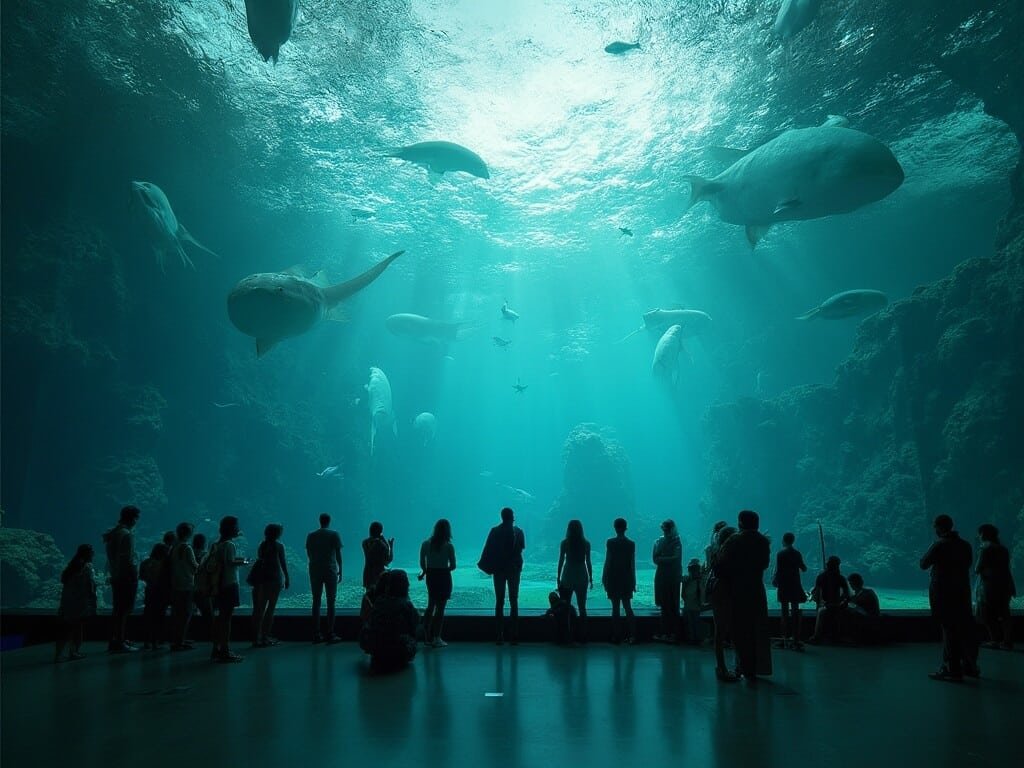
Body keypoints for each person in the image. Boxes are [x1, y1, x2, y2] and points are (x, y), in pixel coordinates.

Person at [920, 514, 979, 681]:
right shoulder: (965, 545)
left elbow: (923, 564)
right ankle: (969, 665)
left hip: (944, 593)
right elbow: (968, 565)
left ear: (938, 527)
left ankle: (952, 668)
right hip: (962, 592)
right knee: (964, 628)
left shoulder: (939, 545)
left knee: (949, 629)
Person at [717, 510, 772, 682]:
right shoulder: (763, 541)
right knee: (757, 627)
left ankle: (741, 665)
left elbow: (720, 565)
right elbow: (765, 564)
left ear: (741, 523)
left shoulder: (734, 540)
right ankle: (756, 667)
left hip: (737, 589)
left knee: (739, 628)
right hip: (756, 588)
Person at [478, 507, 526, 645]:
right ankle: (514, 634)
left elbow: (488, 549)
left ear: (502, 516)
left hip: (499, 570)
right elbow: (521, 549)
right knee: (514, 600)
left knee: (499, 601)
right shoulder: (519, 532)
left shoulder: (494, 531)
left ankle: (499, 634)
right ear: (512, 517)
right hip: (514, 570)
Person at [360, 569, 420, 672]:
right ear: (404, 585)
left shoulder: (379, 602)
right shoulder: (406, 605)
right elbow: (414, 623)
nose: (409, 584)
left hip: (377, 649)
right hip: (398, 650)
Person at [103, 505, 141, 653]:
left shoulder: (114, 533)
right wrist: (134, 576)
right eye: (137, 518)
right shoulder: (126, 534)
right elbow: (127, 559)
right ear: (132, 518)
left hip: (116, 575)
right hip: (125, 577)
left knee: (117, 610)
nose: (137, 522)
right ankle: (119, 641)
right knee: (124, 611)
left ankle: (116, 639)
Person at [210, 516, 247, 663]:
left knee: (220, 618)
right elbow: (230, 562)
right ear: (232, 528)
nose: (238, 528)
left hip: (218, 584)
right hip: (229, 584)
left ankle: (216, 648)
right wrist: (244, 562)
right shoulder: (229, 545)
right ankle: (225, 650)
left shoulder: (216, 544)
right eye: (236, 526)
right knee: (226, 619)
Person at [976, 524, 1016, 650]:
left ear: (984, 534)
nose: (979, 536)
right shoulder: (1003, 549)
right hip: (1005, 583)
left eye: (980, 533)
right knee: (1004, 613)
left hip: (989, 585)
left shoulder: (985, 549)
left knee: (987, 613)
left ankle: (994, 640)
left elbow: (978, 568)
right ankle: (1007, 641)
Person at [55, 544, 97, 663]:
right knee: (77, 628)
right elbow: (90, 587)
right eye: (91, 552)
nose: (93, 554)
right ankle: (73, 652)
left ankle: (59, 654)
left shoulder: (71, 567)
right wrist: (92, 602)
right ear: (87, 554)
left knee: (66, 628)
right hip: (80, 602)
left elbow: (65, 583)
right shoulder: (87, 568)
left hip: (67, 601)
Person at [250, 523, 289, 648]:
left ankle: (256, 637)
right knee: (270, 608)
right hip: (274, 580)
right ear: (277, 533)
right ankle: (265, 636)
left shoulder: (262, 545)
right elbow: (282, 563)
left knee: (259, 609)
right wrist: (287, 577)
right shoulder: (279, 546)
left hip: (261, 580)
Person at [419, 519, 456, 648]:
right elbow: (453, 566)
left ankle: (426, 635)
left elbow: (422, 563)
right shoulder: (449, 546)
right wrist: (444, 569)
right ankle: (437, 637)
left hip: (431, 576)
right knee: (440, 609)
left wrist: (425, 571)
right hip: (444, 576)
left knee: (430, 605)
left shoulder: (425, 544)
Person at [707, 525, 737, 681]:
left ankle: (723, 666)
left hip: (717, 591)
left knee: (720, 629)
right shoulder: (726, 554)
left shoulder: (717, 551)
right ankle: (723, 668)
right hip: (724, 591)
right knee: (723, 629)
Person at [307, 513, 343, 644]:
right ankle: (330, 632)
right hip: (330, 569)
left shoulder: (311, 535)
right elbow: (338, 553)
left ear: (319, 521)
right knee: (331, 601)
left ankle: (316, 633)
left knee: (316, 601)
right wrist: (341, 570)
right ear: (329, 521)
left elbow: (309, 553)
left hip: (315, 570)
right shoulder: (334, 534)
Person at [557, 520, 593, 643]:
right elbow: (588, 562)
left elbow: (561, 560)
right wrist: (591, 577)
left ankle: (566, 635)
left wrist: (558, 576)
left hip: (567, 574)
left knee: (565, 607)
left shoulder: (564, 543)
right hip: (582, 574)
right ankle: (584, 635)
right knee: (582, 607)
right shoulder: (586, 544)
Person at [602, 517, 636, 644]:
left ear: (615, 528)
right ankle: (633, 635)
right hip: (626, 578)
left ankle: (617, 636)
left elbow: (608, 560)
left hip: (613, 577)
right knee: (628, 607)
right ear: (626, 528)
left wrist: (604, 576)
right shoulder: (631, 544)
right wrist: (634, 581)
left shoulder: (610, 542)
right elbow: (632, 564)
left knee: (615, 608)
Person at [772, 532, 808, 650]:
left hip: (784, 585)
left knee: (784, 612)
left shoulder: (780, 553)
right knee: (795, 611)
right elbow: (803, 568)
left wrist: (775, 580)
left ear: (783, 540)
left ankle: (784, 638)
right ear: (793, 540)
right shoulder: (797, 553)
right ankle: (796, 638)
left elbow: (778, 569)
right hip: (795, 584)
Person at [169, 522, 198, 651]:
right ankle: (179, 642)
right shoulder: (187, 548)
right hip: (186, 584)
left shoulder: (174, 547)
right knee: (185, 614)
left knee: (176, 614)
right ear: (189, 533)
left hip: (175, 584)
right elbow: (194, 566)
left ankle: (177, 639)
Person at [808, 556, 850, 644]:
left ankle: (817, 636)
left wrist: (836, 602)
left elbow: (816, 592)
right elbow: (846, 593)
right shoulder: (840, 577)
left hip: (830, 604)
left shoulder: (821, 576)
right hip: (834, 604)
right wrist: (839, 601)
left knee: (821, 611)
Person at [652, 519, 682, 642]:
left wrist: (661, 558)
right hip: (663, 575)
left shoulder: (676, 541)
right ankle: (667, 632)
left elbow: (675, 558)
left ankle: (673, 633)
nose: (666, 531)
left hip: (671, 575)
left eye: (667, 529)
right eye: (664, 529)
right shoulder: (659, 541)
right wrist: (665, 558)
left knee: (673, 605)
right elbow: (655, 559)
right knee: (665, 605)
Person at [140, 542, 171, 650]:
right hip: (161, 592)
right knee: (159, 617)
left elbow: (142, 576)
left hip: (149, 591)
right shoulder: (164, 564)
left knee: (148, 616)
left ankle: (146, 641)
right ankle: (155, 641)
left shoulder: (145, 562)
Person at [847, 573, 881, 644]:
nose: (850, 585)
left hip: (868, 618)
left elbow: (858, 606)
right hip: (871, 616)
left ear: (853, 583)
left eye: (850, 583)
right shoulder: (867, 592)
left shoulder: (865, 594)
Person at [191, 533, 212, 640]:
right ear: (204, 543)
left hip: (190, 586)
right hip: (202, 587)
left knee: (190, 612)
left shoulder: (190, 553)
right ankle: (207, 635)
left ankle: (192, 635)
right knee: (207, 613)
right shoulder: (206, 555)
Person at [362, 522, 393, 589]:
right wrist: (390, 546)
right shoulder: (381, 544)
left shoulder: (364, 542)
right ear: (380, 532)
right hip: (379, 574)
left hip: (368, 573)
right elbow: (388, 560)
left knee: (369, 595)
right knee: (380, 596)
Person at [680, 559, 704, 645]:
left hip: (692, 606)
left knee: (692, 624)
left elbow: (683, 595)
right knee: (692, 624)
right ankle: (694, 639)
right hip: (691, 607)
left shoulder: (691, 581)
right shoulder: (696, 581)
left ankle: (693, 639)